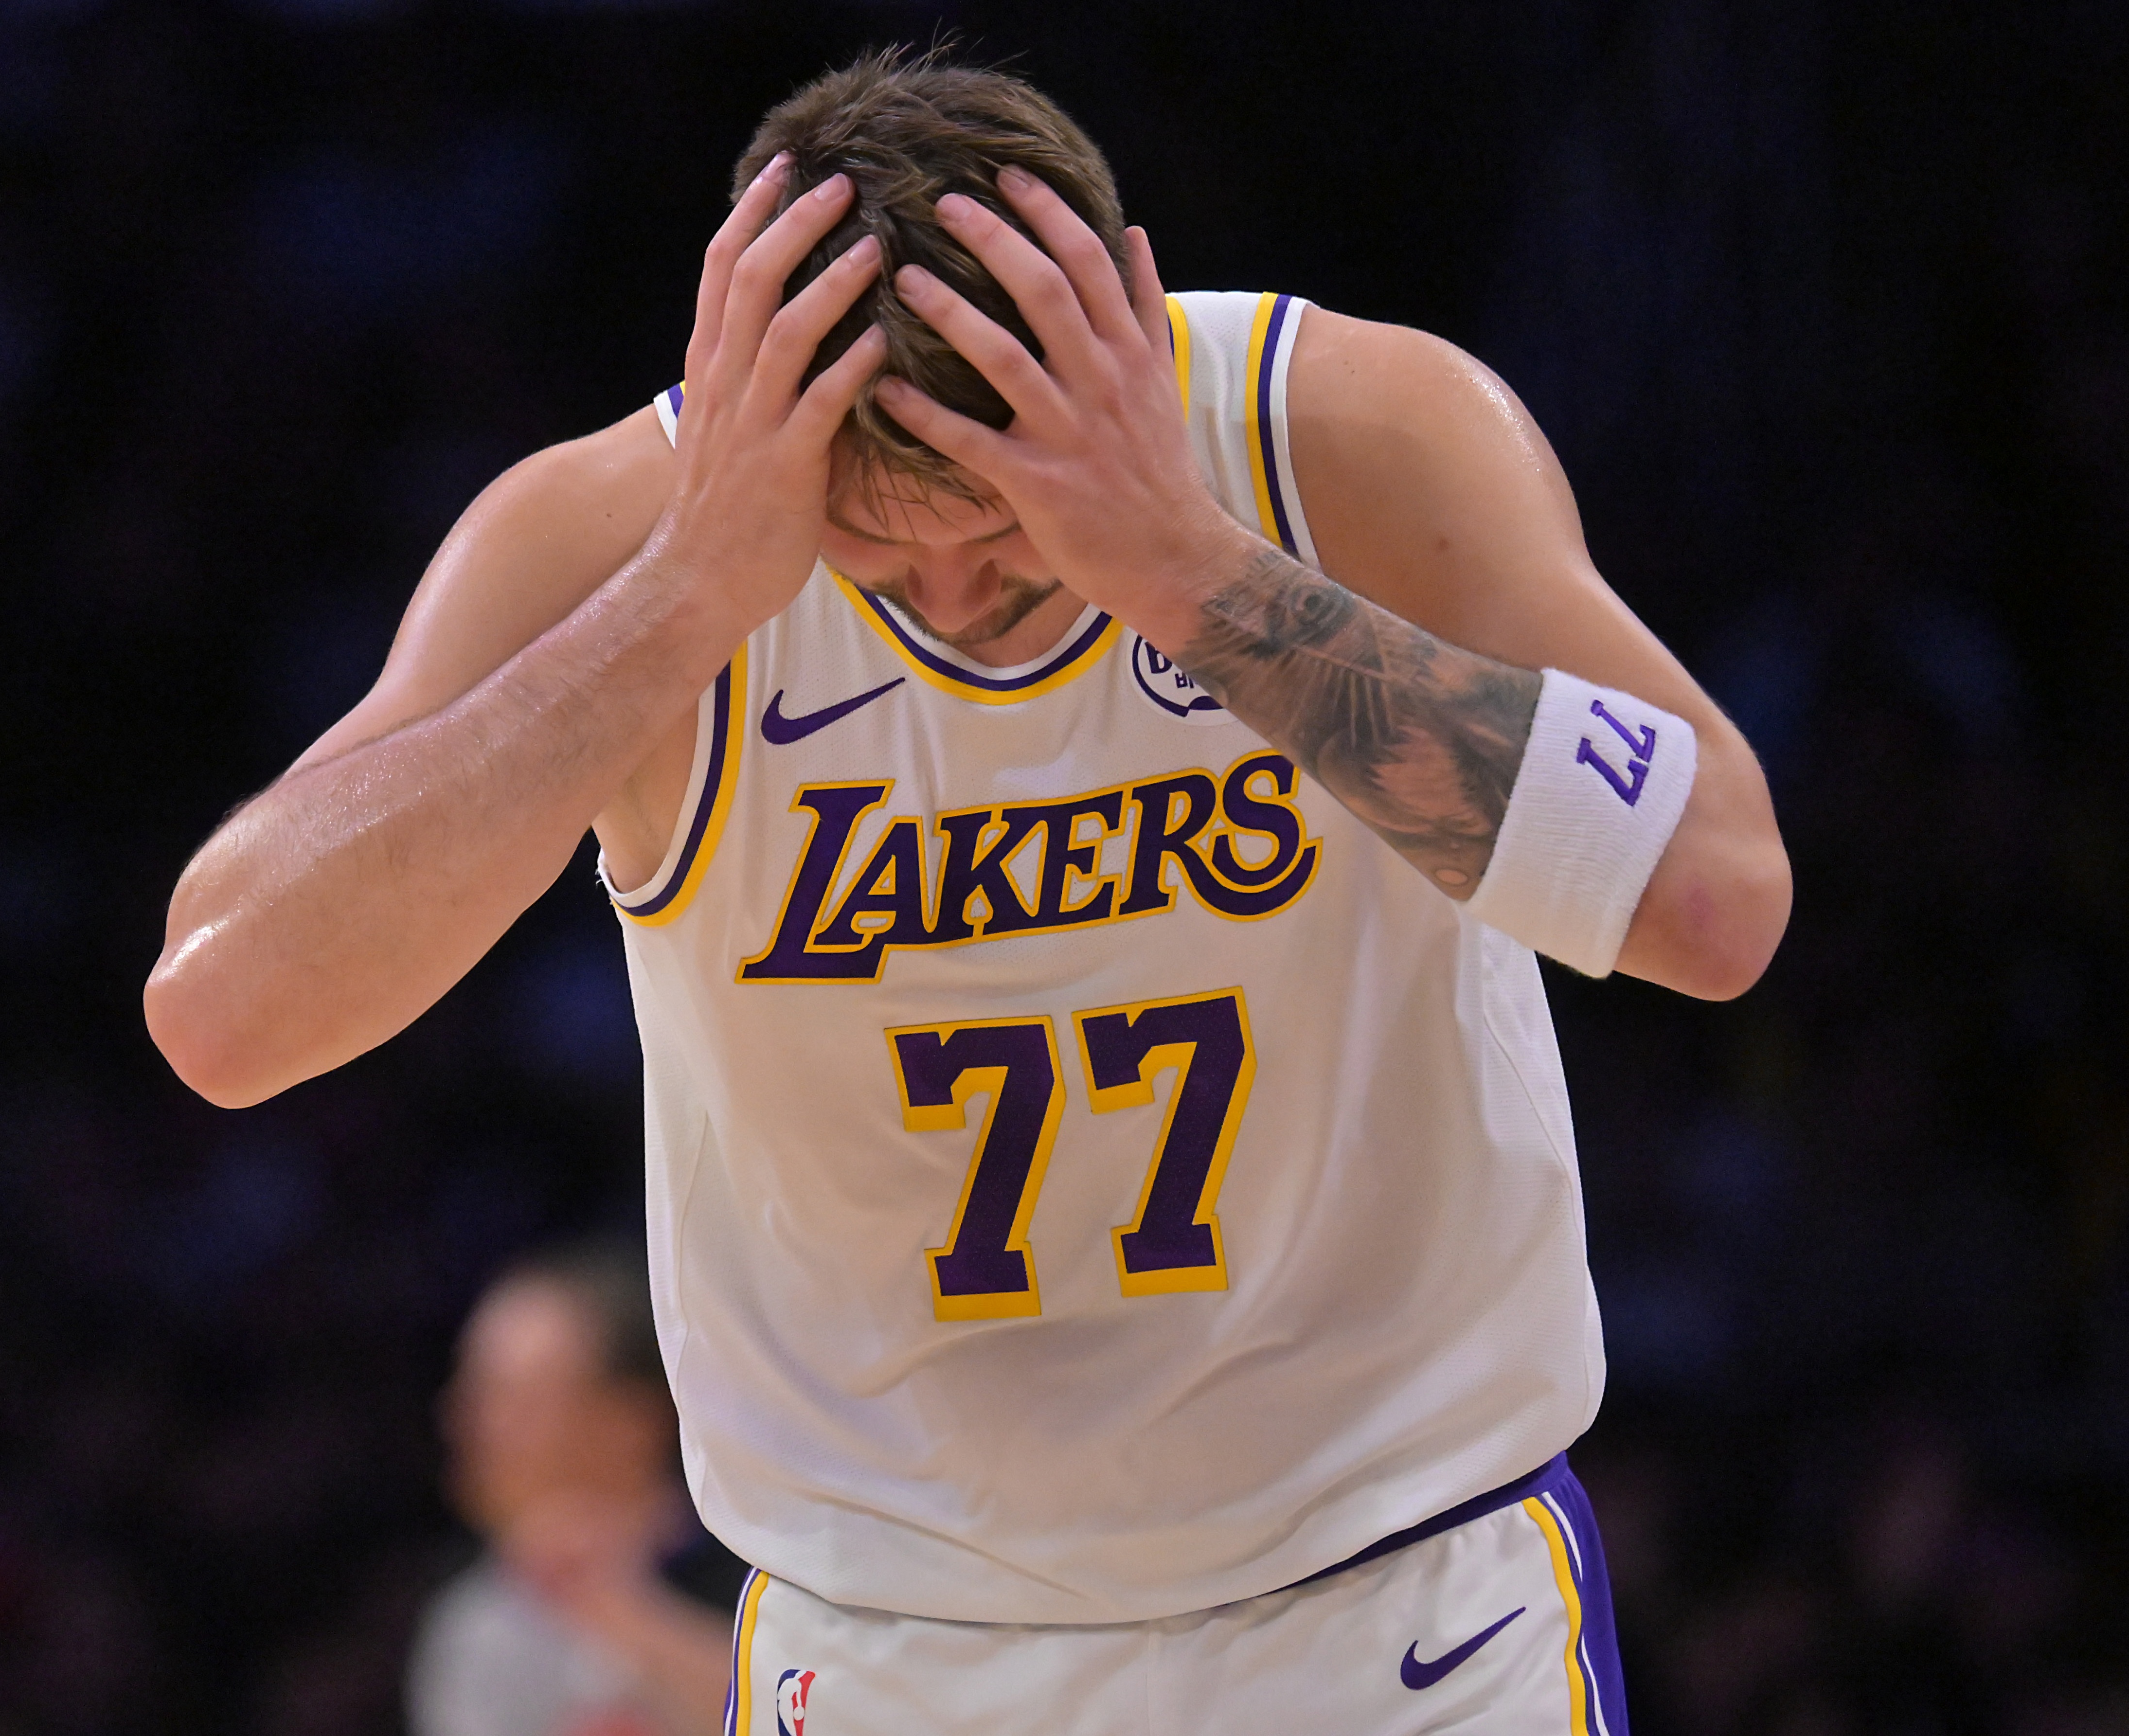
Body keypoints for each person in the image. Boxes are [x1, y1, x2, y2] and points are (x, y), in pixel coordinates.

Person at [146, 47, 1790, 1734]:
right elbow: (225, 1007)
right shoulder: (626, 531)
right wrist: (688, 596)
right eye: (873, 537)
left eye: (1002, 528)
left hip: (1390, 1596)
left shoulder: (1343, 437)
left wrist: (1189, 570)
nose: (947, 594)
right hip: (889, 1640)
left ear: (1128, 350)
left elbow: (1715, 898)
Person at [410, 1241, 744, 1736]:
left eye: (513, 1399)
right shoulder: (476, 1623)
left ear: (634, 1421)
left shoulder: (764, 1568)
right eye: (471, 1393)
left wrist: (615, 1611)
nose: (466, 1423)